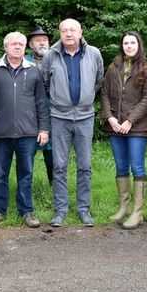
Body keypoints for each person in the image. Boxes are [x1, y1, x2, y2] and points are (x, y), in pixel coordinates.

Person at [42, 18, 103, 227]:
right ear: (59, 33)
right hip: (59, 118)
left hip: (85, 117)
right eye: (64, 30)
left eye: (72, 30)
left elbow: (98, 81)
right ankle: (60, 210)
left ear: (80, 32)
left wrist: (85, 99)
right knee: (59, 165)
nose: (69, 34)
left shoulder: (94, 53)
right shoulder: (50, 55)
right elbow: (45, 83)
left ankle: (84, 209)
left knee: (84, 165)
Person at [0, 32, 49, 229]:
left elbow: (41, 102)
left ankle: (26, 211)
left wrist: (43, 128)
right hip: (2, 131)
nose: (17, 47)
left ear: (25, 48)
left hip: (28, 132)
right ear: (5, 47)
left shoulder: (34, 70)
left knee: (26, 173)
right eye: (13, 44)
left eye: (21, 44)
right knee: (0, 173)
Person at [100, 31, 147, 229]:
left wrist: (130, 121)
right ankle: (124, 207)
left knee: (137, 167)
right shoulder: (113, 66)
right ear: (122, 46)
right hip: (115, 126)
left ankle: (137, 213)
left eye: (133, 42)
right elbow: (104, 94)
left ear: (139, 45)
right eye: (126, 43)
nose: (129, 46)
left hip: (137, 127)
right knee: (121, 166)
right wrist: (110, 117)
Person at [25, 26, 54, 185]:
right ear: (30, 45)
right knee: (27, 155)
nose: (42, 43)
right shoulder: (23, 62)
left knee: (53, 156)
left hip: (54, 114)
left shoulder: (57, 60)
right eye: (37, 40)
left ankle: (54, 186)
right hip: (29, 116)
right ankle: (25, 187)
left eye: (45, 40)